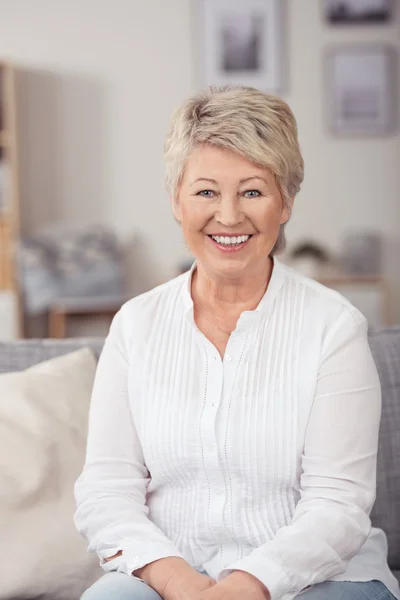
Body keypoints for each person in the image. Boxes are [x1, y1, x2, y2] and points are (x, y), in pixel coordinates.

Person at [74, 85, 400, 600]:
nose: (228, 216)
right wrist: (180, 582)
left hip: (321, 576)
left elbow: (337, 505)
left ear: (286, 202)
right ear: (176, 200)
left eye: (252, 191)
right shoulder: (135, 326)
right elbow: (107, 491)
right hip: (174, 573)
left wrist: (249, 585)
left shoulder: (334, 327)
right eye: (206, 191)